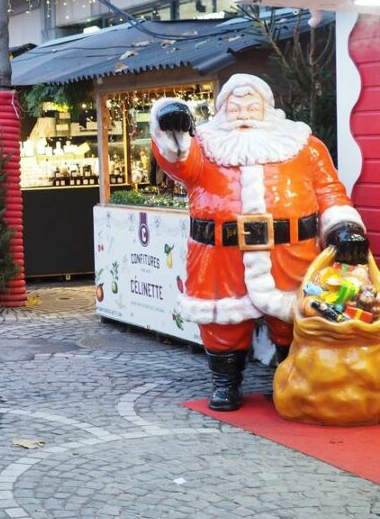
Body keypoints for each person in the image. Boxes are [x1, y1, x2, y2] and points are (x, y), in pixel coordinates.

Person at [151, 73, 367, 412]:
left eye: (251, 104)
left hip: (291, 250)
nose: (243, 111)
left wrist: (343, 227)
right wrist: (171, 122)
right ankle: (226, 383)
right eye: (235, 105)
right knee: (223, 322)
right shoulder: (205, 146)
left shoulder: (303, 145)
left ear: (267, 107)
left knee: (294, 318)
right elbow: (177, 160)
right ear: (223, 108)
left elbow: (328, 190)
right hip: (221, 254)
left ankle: (291, 378)